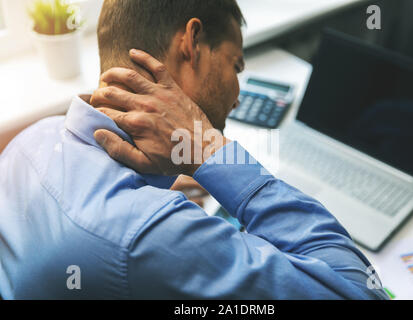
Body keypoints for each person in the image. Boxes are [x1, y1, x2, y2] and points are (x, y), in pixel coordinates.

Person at [0, 0, 388, 299]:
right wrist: (209, 150)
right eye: (235, 66)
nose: (237, 97)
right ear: (192, 43)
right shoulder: (151, 234)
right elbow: (359, 290)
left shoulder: (28, 143)